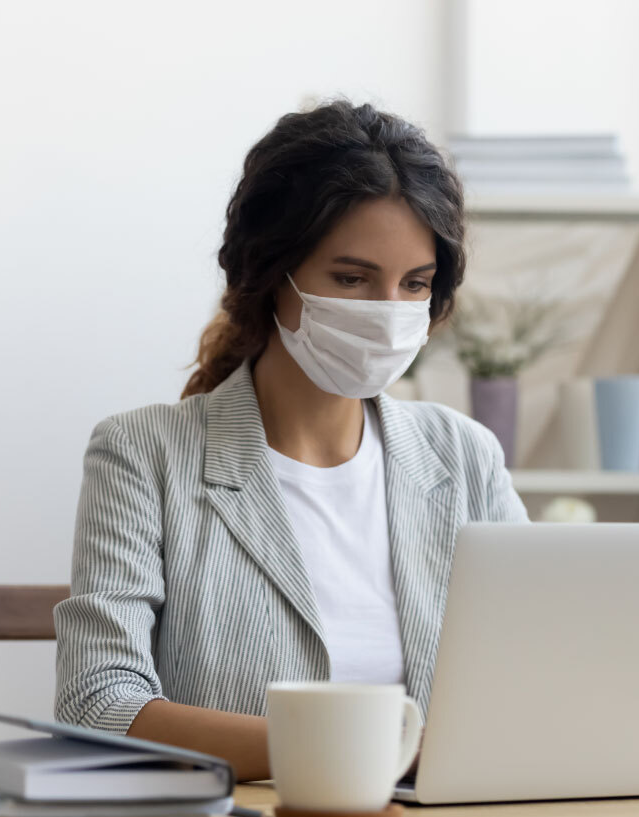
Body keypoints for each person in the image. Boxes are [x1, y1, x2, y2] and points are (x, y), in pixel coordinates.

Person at [53, 99, 528, 781]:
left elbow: (538, 675)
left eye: (414, 284)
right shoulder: (145, 453)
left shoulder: (466, 456)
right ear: (271, 272)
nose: (388, 312)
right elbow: (97, 703)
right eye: (351, 277)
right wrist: (359, 751)